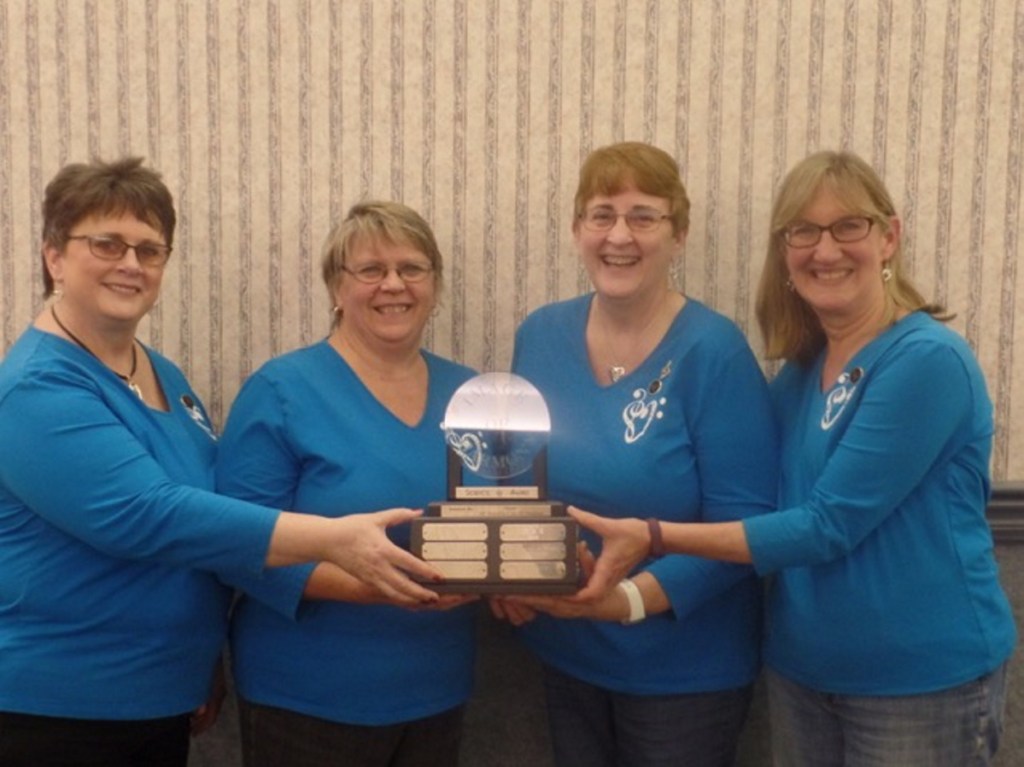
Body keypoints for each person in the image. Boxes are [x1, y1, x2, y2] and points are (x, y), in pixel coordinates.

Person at [570, 150, 1017, 766]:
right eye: (802, 232)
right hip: (803, 671)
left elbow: (827, 526)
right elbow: (758, 499)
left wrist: (649, 538)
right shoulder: (801, 375)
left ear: (889, 237)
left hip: (917, 680)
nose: (824, 250)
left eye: (847, 227)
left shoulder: (925, 360)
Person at [0, 159, 445, 767]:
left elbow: (211, 523)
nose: (130, 264)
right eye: (106, 244)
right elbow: (148, 516)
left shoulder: (161, 375)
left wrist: (205, 652)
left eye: (149, 250)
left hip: (158, 694)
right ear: (54, 256)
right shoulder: (34, 389)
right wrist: (336, 539)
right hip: (61, 705)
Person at [493, 142, 779, 767]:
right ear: (576, 230)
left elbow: (746, 527)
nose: (619, 235)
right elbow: (517, 481)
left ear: (678, 235)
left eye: (643, 216)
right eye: (602, 214)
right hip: (568, 648)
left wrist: (627, 601)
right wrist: (506, 572)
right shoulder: (539, 336)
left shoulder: (714, 352)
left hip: (684, 669)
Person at [215, 201, 479, 767]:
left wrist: (535, 567)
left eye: (412, 268)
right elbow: (235, 547)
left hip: (437, 685)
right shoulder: (281, 390)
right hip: (307, 696)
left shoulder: (473, 396)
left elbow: (496, 522)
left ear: (434, 285)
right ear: (337, 287)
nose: (394, 285)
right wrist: (374, 585)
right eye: (370, 270)